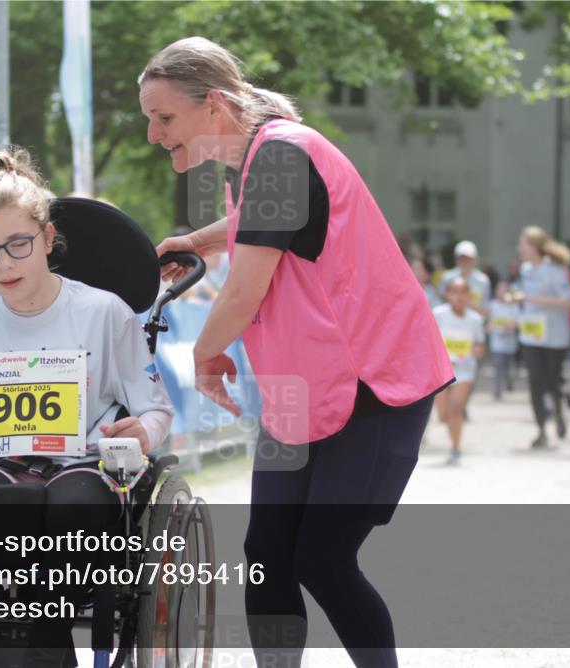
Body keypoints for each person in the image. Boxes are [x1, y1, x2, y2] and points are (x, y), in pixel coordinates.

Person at [142, 36, 453, 668]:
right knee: (266, 558)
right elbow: (262, 224)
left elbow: (243, 294)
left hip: (374, 385)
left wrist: (206, 355)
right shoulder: (263, 157)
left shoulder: (282, 156)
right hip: (309, 392)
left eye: (164, 117)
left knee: (323, 558)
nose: (153, 134)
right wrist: (199, 241)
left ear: (216, 105)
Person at [0, 148, 174, 668]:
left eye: (18, 245)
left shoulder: (104, 313)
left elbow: (155, 409)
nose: (3, 264)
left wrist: (144, 431)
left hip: (83, 460)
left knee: (72, 508)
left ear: (48, 240)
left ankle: (31, 636)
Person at [515, 226, 570, 448]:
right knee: (534, 382)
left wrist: (539, 300)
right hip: (532, 336)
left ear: (534, 247)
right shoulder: (525, 270)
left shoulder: (555, 271)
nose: (519, 248)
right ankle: (541, 429)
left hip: (555, 337)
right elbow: (526, 297)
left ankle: (559, 414)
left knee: (552, 381)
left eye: (522, 243)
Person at [433, 277, 485, 464]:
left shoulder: (475, 320)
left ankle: (455, 448)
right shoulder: (438, 314)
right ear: (447, 294)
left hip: (464, 371)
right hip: (442, 371)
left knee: (456, 408)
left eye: (463, 292)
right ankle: (454, 435)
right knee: (443, 415)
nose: (459, 297)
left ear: (469, 295)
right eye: (455, 292)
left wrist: (476, 350)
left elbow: (480, 346)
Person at [439, 240, 491, 318]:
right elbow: (440, 300)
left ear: (475, 259)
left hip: (473, 323)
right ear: (456, 259)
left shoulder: (483, 280)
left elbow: (485, 308)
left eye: (468, 258)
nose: (464, 261)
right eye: (461, 258)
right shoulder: (447, 277)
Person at [488, 280, 520, 399]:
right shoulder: (493, 305)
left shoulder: (514, 307)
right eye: (499, 290)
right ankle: (497, 389)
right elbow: (489, 320)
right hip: (497, 343)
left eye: (504, 290)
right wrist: (489, 326)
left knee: (508, 366)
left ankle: (509, 381)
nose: (502, 293)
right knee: (498, 365)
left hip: (510, 343)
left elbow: (518, 322)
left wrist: (511, 326)